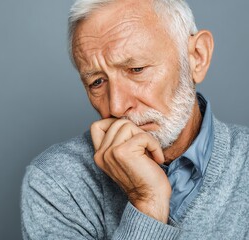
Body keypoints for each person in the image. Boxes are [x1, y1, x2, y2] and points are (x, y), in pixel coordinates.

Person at [21, 0, 249, 239]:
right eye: (97, 82)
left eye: (137, 69)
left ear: (197, 57)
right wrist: (147, 203)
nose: (117, 106)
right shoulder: (56, 182)